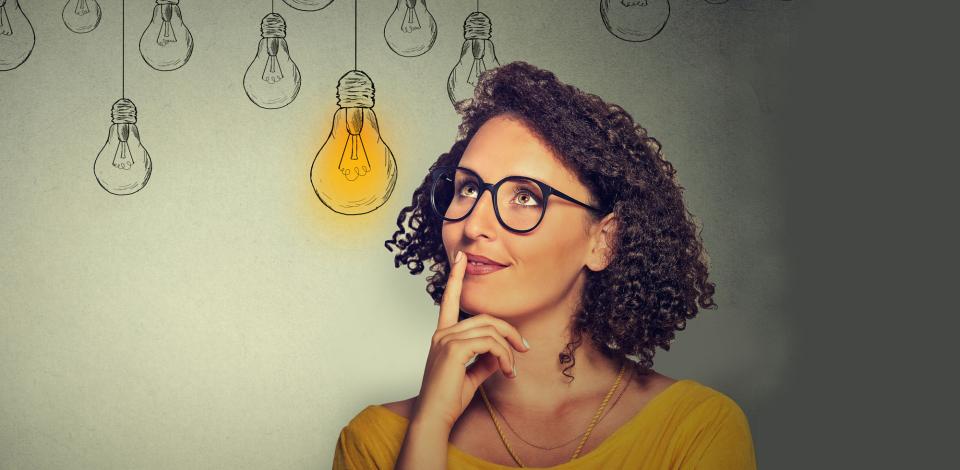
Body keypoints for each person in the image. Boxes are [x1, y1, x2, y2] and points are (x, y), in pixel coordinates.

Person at [332, 61, 757, 469]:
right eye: (468, 189)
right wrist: (429, 428)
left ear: (602, 241)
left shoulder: (696, 428)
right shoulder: (375, 441)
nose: (474, 224)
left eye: (525, 197)